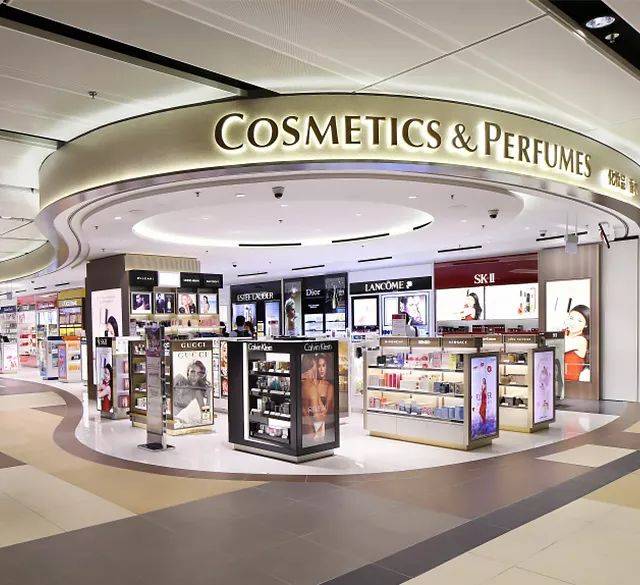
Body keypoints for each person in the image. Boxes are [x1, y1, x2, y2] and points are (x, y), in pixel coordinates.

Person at [301, 353, 335, 443]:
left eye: (323, 365)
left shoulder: (329, 386)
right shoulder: (310, 384)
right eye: (319, 366)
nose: (321, 369)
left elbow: (326, 410)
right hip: (309, 421)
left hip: (320, 422)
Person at [172, 359, 212, 426]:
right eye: (192, 372)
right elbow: (165, 393)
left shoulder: (197, 392)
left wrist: (209, 396)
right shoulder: (179, 378)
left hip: (177, 419)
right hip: (166, 415)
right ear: (188, 372)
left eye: (198, 373)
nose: (195, 375)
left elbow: (205, 416)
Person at [564, 304, 589, 382]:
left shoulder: (581, 340)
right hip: (560, 381)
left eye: (579, 321)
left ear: (586, 325)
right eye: (571, 318)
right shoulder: (565, 334)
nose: (573, 323)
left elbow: (560, 347)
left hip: (572, 383)